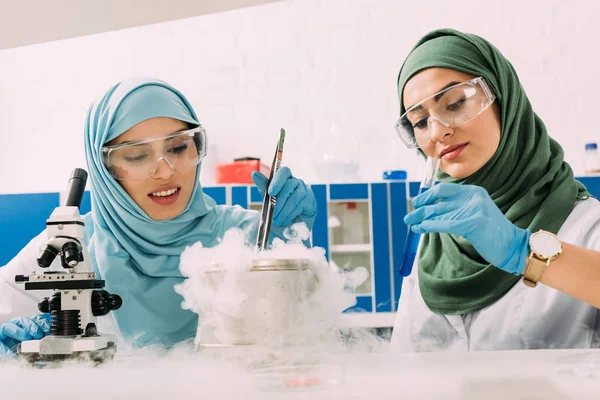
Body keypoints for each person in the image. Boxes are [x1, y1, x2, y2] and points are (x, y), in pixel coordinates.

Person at [0, 77, 318, 358]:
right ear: (104, 170)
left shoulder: (243, 236)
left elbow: (306, 334)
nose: (165, 171)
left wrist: (292, 242)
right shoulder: (68, 249)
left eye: (179, 148)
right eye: (138, 156)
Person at [391, 29, 600, 352]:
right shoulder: (429, 242)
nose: (437, 132)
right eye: (419, 122)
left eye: (455, 103)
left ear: (504, 99)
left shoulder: (587, 226)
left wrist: (522, 251)